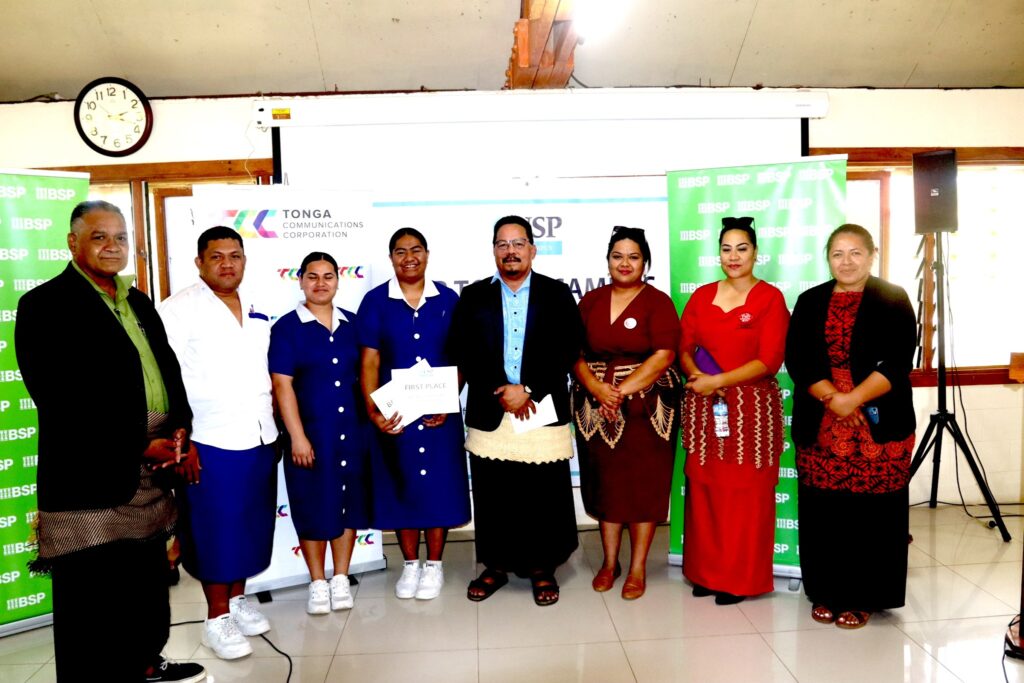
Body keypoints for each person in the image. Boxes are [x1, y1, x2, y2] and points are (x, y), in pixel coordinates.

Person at [14, 200, 205, 682]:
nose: (111, 246)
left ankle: (145, 661)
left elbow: (168, 371)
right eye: (99, 237)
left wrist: (181, 428)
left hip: (153, 472)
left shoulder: (138, 301)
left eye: (120, 237)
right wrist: (138, 445)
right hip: (89, 475)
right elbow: (59, 397)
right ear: (73, 243)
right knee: (92, 596)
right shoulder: (44, 305)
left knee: (144, 585)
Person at [447, 215, 583, 606]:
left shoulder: (557, 295)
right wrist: (501, 391)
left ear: (532, 250)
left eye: (518, 243)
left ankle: (543, 567)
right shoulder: (473, 297)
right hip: (491, 408)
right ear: (494, 250)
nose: (511, 251)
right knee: (495, 491)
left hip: (541, 406)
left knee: (542, 493)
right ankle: (496, 565)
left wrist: (527, 389)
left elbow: (568, 348)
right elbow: (463, 351)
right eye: (503, 244)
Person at [786, 223, 916, 629]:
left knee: (872, 515)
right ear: (828, 258)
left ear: (872, 254)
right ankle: (825, 590)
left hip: (878, 421)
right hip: (822, 421)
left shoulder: (893, 299)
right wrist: (833, 398)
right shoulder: (810, 301)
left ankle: (865, 596)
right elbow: (799, 359)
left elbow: (898, 361)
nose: (846, 261)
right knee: (825, 511)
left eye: (855, 252)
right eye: (837, 253)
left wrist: (852, 399)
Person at [159, 226, 278, 660]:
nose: (227, 264)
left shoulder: (259, 305)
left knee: (249, 525)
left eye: (235, 255)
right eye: (217, 256)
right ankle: (216, 618)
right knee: (214, 532)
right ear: (199, 262)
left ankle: (237, 601)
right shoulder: (178, 309)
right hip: (208, 439)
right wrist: (180, 438)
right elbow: (164, 379)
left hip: (260, 434)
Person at [678, 216, 789, 605]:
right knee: (705, 492)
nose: (734, 256)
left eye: (742, 248)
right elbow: (684, 346)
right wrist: (697, 376)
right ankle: (706, 573)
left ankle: (738, 580)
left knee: (744, 498)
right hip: (704, 411)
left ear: (756, 252)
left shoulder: (770, 298)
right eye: (727, 249)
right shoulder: (702, 295)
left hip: (750, 415)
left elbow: (770, 360)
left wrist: (718, 382)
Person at [358, 228, 470, 600]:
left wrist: (447, 399)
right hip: (396, 417)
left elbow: (461, 358)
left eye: (416, 249)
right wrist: (374, 411)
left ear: (427, 254)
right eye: (401, 251)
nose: (409, 257)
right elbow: (370, 361)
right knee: (401, 484)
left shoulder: (449, 299)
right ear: (391, 257)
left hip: (439, 416)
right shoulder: (375, 302)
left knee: (438, 488)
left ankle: (434, 565)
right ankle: (410, 565)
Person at [571, 226, 681, 600]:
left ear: (645, 263)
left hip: (647, 410)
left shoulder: (658, 301)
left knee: (643, 486)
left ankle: (636, 569)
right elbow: (574, 354)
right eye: (618, 256)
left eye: (633, 257)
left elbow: (664, 354)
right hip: (596, 408)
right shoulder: (591, 301)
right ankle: (609, 562)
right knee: (607, 484)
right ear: (607, 261)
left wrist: (619, 390)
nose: (625, 263)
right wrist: (598, 389)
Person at [269, 252, 368, 614]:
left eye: (328, 276)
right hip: (310, 435)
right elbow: (282, 386)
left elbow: (370, 375)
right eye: (313, 276)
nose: (321, 283)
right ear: (300, 280)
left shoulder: (353, 325)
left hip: (352, 433)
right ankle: (317, 581)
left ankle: (341, 578)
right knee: (312, 505)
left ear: (338, 280)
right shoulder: (286, 328)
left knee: (349, 505)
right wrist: (296, 435)